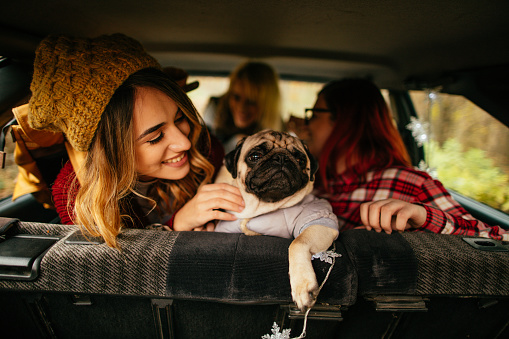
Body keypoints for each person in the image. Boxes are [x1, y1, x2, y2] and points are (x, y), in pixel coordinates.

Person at [28, 34, 244, 248]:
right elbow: (106, 271)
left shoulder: (204, 147)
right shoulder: (77, 192)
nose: (184, 143)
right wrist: (176, 225)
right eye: (155, 137)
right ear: (111, 150)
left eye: (179, 119)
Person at [297, 78, 508, 240]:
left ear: (345, 121)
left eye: (314, 115)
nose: (306, 126)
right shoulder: (313, 184)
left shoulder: (410, 184)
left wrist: (424, 217)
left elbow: (497, 239)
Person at [208, 61, 282, 153]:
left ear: (266, 105)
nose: (241, 107)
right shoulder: (214, 112)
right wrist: (235, 142)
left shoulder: (277, 131)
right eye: (236, 97)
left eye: (251, 101)